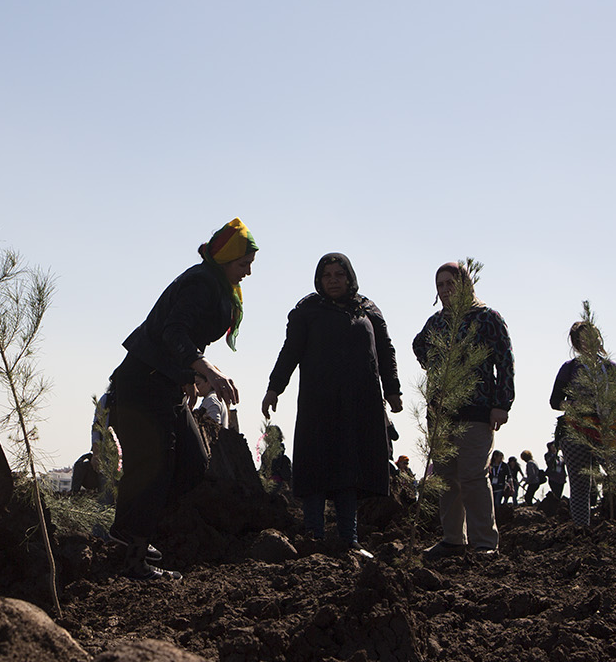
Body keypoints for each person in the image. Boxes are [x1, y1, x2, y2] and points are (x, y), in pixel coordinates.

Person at [109, 218, 255, 579]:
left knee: (192, 462)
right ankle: (133, 553)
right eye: (243, 264)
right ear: (226, 260)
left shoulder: (218, 286)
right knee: (154, 466)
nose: (249, 273)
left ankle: (130, 532)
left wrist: (190, 375)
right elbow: (173, 331)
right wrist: (206, 370)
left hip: (167, 385)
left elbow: (186, 337)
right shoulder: (200, 282)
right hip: (142, 384)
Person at [261, 253, 403, 550]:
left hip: (359, 403)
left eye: (339, 274)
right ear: (319, 280)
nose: (334, 280)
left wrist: (393, 391)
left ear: (350, 278)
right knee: (316, 465)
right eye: (327, 275)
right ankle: (314, 534)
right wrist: (275, 388)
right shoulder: (307, 311)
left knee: (350, 468)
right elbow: (290, 351)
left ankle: (349, 539)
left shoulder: (367, 310)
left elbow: (386, 351)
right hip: (319, 403)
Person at [413, 261, 514, 557]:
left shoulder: (487, 318)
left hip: (478, 409)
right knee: (445, 478)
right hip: (441, 411)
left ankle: (485, 542)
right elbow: (419, 346)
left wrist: (501, 404)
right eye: (440, 285)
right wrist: (436, 366)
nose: (445, 290)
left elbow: (505, 362)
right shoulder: (436, 323)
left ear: (466, 285)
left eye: (450, 283)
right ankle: (454, 539)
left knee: (472, 477)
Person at [550, 321, 616, 530]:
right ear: (576, 344)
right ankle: (581, 533)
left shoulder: (610, 369)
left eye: (593, 337)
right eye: (584, 339)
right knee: (580, 484)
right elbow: (555, 401)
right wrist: (576, 405)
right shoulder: (570, 369)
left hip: (609, 431)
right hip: (576, 431)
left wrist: (609, 399)